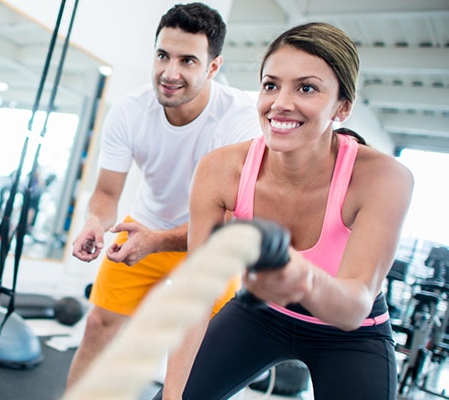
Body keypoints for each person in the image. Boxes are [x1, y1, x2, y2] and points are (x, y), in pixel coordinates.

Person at [156, 22, 414, 399]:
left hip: (351, 335)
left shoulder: (384, 178)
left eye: (306, 88)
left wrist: (300, 275)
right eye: (271, 85)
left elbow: (353, 308)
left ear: (342, 107)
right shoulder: (220, 170)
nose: (280, 103)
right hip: (260, 315)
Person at [66, 2, 260, 390]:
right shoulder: (129, 112)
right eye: (162, 55)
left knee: (198, 353)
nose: (170, 73)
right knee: (98, 326)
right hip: (146, 225)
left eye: (188, 60)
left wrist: (158, 243)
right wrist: (95, 221)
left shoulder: (240, 119)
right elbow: (106, 194)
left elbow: (230, 218)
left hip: (210, 242)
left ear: (213, 67)